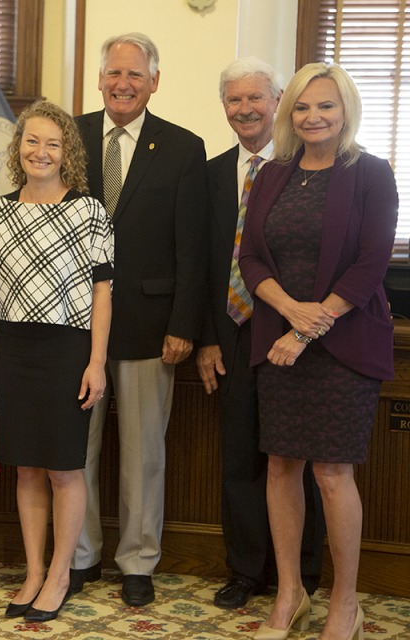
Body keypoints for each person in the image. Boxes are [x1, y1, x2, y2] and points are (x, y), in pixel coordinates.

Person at [240, 63, 397, 640]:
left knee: (332, 473)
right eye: (302, 108)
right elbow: (250, 257)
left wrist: (310, 326)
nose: (313, 117)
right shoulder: (273, 174)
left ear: (346, 111)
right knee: (281, 467)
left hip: (344, 345)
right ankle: (289, 596)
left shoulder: (373, 174)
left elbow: (370, 264)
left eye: (326, 106)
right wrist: (291, 311)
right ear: (289, 114)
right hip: (279, 340)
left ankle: (344, 604)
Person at [71, 32, 209, 607]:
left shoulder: (182, 146)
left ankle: (137, 560)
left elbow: (192, 247)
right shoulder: (69, 137)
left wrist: (184, 323)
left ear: (154, 81)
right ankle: (80, 555)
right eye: (113, 73)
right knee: (77, 449)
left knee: (143, 452)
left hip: (153, 326)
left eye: (134, 74)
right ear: (99, 79)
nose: (122, 84)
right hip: (75, 324)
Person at [198, 57, 326, 610]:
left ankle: (301, 573)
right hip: (231, 333)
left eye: (256, 98)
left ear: (278, 102)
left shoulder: (307, 169)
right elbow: (199, 262)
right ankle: (247, 570)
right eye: (234, 100)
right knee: (240, 458)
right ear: (224, 107)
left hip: (292, 331)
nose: (245, 109)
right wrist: (205, 337)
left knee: (300, 454)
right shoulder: (207, 174)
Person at [0, 99, 113, 623]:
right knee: (27, 469)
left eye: (52, 144)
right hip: (13, 348)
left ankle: (62, 572)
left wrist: (97, 361)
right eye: (32, 141)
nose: (41, 151)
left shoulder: (89, 211)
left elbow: (104, 292)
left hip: (68, 350)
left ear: (67, 153)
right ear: (18, 149)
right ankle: (34, 570)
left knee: (64, 468)